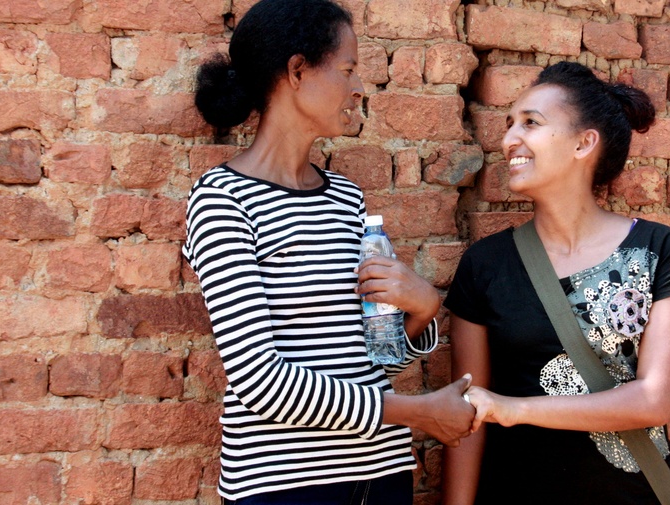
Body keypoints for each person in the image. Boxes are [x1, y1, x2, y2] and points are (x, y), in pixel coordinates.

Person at [183, 1, 474, 503]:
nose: (359, 87)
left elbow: (372, 363)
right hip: (283, 486)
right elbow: (259, 380)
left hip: (381, 475)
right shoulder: (222, 200)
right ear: (297, 71)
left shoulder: (345, 198)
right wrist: (417, 411)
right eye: (348, 69)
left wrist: (424, 310)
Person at [441, 61, 670, 505]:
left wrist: (513, 408)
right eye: (509, 124)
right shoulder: (485, 264)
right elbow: (468, 418)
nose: (509, 140)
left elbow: (653, 401)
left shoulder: (657, 249)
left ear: (584, 143)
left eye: (530, 123)